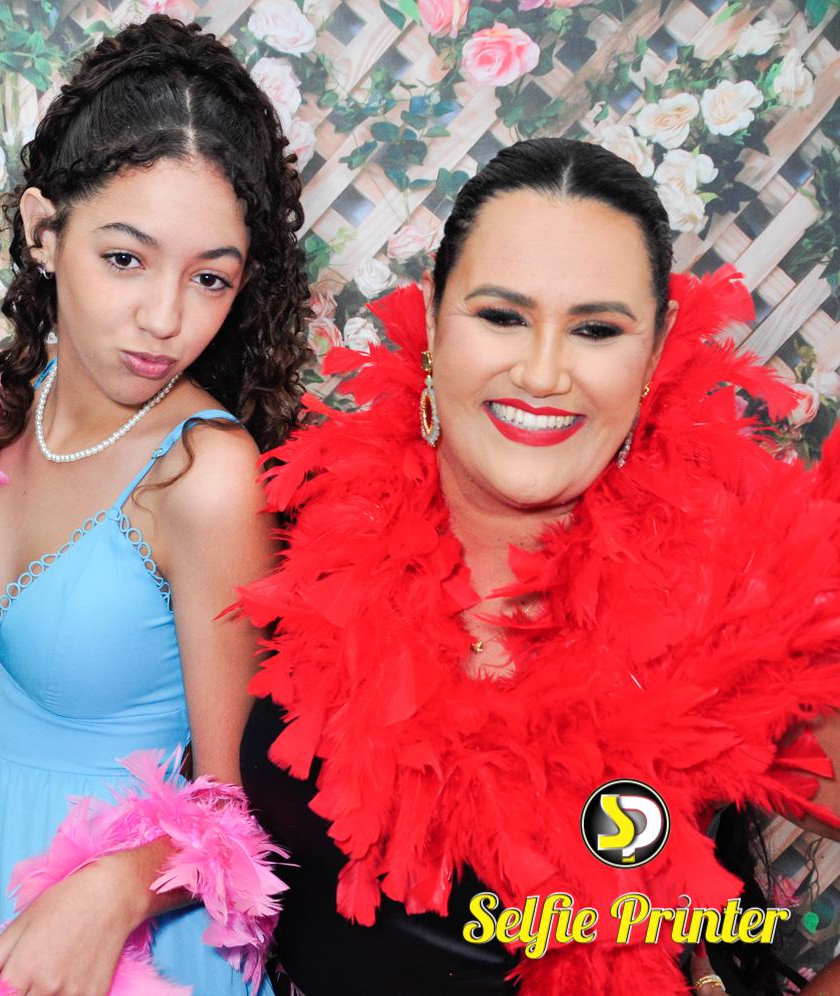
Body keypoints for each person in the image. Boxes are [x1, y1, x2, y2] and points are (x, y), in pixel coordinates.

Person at [239, 137, 840, 996]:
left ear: (655, 354)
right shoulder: (298, 519)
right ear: (434, 318)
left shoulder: (732, 612)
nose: (543, 372)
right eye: (501, 316)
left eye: (596, 329)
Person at [0, 15, 312, 994]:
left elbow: (242, 812)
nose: (164, 318)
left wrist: (114, 893)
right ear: (45, 231)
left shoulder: (204, 475)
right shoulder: (15, 421)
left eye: (209, 278)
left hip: (141, 949)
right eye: (126, 258)